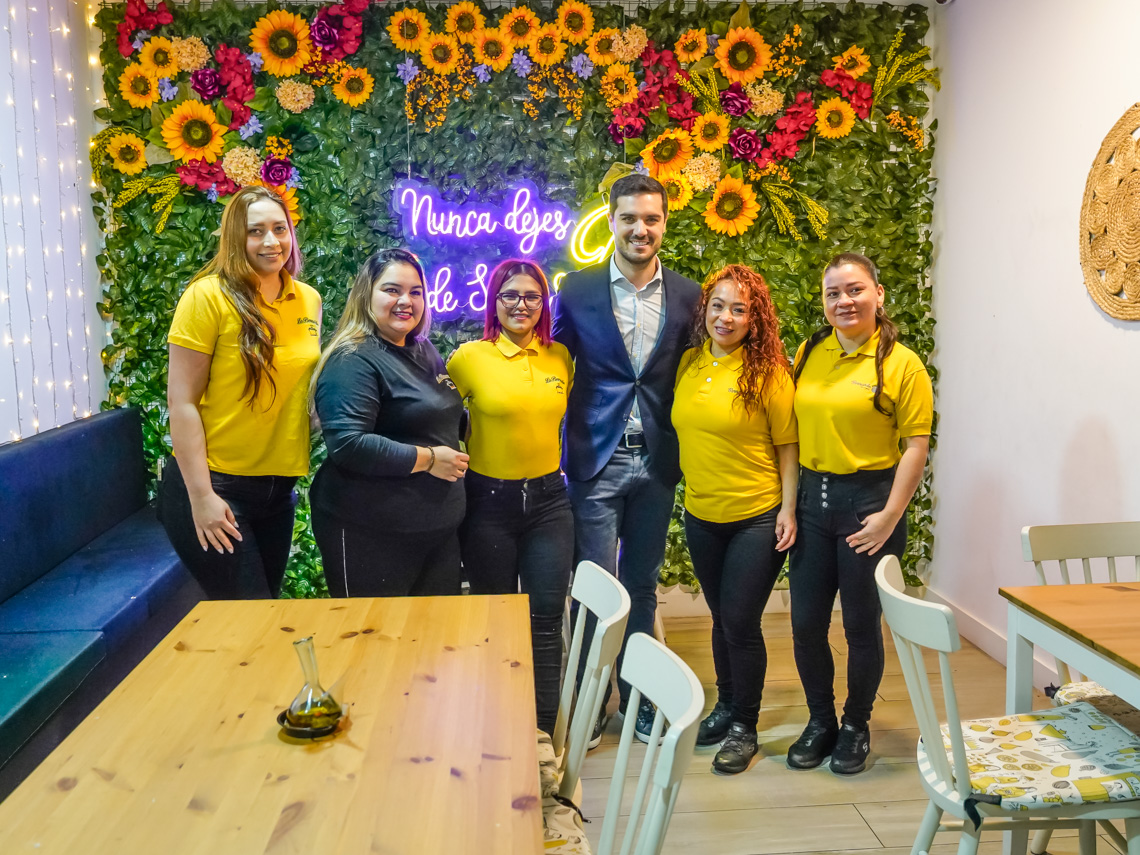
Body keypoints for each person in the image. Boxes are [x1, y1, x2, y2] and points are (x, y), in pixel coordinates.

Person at [552, 173, 701, 746]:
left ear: (664, 223)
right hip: (596, 459)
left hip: (659, 462)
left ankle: (636, 698)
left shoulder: (690, 295)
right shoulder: (578, 291)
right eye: (629, 218)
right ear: (610, 221)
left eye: (652, 219)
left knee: (641, 583)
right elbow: (554, 365)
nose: (641, 229)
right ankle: (591, 703)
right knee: (593, 589)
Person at [787, 252, 933, 775]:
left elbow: (916, 445)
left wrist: (891, 515)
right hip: (811, 501)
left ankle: (855, 724)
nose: (844, 301)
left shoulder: (902, 363)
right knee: (804, 624)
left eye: (854, 290)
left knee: (860, 627)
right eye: (833, 293)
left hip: (869, 509)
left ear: (878, 294)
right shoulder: (809, 352)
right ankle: (821, 720)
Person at [161, 186, 321, 599]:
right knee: (247, 621)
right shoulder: (206, 297)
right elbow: (181, 405)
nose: (272, 242)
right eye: (256, 231)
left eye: (279, 229)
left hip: (278, 490)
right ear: (236, 237)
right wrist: (201, 496)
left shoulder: (308, 300)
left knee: (264, 618)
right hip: (218, 487)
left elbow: (298, 388)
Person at [672, 264, 798, 774]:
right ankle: (725, 706)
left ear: (755, 318)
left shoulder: (768, 373)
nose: (726, 317)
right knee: (721, 619)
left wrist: (788, 508)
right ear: (704, 308)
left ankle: (745, 725)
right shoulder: (687, 363)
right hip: (701, 514)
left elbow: (788, 447)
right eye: (718, 305)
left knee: (742, 623)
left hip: (756, 516)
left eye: (739, 309)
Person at [446, 259, 574, 737]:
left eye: (532, 296)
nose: (521, 304)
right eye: (510, 295)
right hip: (487, 504)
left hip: (549, 503)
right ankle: (499, 724)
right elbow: (435, 418)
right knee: (495, 617)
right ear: (494, 302)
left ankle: (541, 734)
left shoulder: (560, 357)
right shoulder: (466, 359)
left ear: (544, 304)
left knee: (545, 621)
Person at [308, 248, 469, 597]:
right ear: (367, 295)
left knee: (433, 643)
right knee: (373, 644)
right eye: (392, 290)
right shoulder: (353, 359)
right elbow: (349, 444)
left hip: (436, 533)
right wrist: (427, 459)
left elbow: (433, 416)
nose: (405, 301)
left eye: (415, 292)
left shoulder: (423, 348)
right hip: (371, 531)